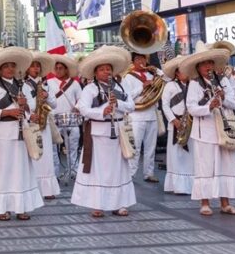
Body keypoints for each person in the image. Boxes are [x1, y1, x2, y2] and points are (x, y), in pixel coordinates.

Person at [183, 41, 235, 216]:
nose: (208, 66)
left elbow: (233, 103)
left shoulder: (224, 80)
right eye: (204, 64)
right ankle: (205, 202)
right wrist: (209, 107)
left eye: (210, 63)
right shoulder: (195, 84)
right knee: (206, 166)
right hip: (205, 130)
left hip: (224, 129)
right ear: (198, 67)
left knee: (226, 165)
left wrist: (223, 97)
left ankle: (225, 203)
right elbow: (191, 108)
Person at [72, 47, 136, 218]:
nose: (106, 71)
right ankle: (97, 204)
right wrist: (103, 111)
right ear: (95, 72)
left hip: (118, 132)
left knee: (118, 169)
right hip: (98, 134)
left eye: (108, 68)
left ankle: (119, 203)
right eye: (102, 69)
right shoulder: (90, 89)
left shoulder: (121, 87)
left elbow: (131, 105)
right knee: (98, 170)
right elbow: (84, 110)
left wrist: (117, 105)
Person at [0, 47, 44, 221]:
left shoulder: (21, 86)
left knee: (21, 169)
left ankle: (21, 206)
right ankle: (3, 208)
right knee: (4, 169)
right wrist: (7, 113)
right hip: (2, 133)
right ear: (0, 70)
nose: (10, 69)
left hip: (21, 133)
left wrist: (29, 111)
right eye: (6, 66)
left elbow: (29, 109)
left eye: (12, 66)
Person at [121, 51, 161, 183]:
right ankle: (131, 173)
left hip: (151, 115)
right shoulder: (128, 77)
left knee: (151, 147)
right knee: (136, 147)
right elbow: (127, 96)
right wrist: (142, 87)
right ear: (133, 62)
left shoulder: (152, 75)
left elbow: (164, 79)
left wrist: (156, 71)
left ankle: (148, 173)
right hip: (136, 116)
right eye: (137, 59)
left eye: (143, 59)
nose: (141, 62)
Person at [24, 52, 60, 199]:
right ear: (27, 68)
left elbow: (54, 104)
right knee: (34, 154)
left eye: (38, 66)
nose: (36, 69)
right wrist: (32, 110)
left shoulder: (45, 84)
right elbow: (24, 104)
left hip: (43, 122)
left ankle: (47, 189)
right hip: (31, 122)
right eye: (33, 66)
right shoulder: (23, 85)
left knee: (46, 155)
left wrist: (46, 96)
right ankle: (35, 187)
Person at [160, 56, 192, 195]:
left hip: (191, 122)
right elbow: (165, 105)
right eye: (182, 70)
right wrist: (174, 120)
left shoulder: (194, 85)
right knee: (176, 155)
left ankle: (190, 185)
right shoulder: (170, 85)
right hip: (175, 123)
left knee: (191, 154)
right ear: (177, 73)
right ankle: (177, 186)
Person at [50, 54, 83, 183]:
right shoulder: (50, 83)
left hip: (71, 118)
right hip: (54, 118)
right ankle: (55, 172)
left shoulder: (74, 83)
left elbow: (81, 99)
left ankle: (73, 170)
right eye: (56, 68)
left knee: (72, 146)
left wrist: (78, 107)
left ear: (66, 69)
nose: (58, 70)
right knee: (54, 148)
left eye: (61, 68)